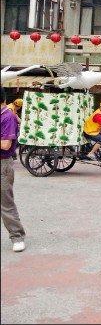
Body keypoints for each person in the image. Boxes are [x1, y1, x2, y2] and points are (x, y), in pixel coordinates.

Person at [1, 87, 26, 252]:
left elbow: (5, 145)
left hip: (3, 164)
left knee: (5, 203)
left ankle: (17, 237)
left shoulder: (8, 116)